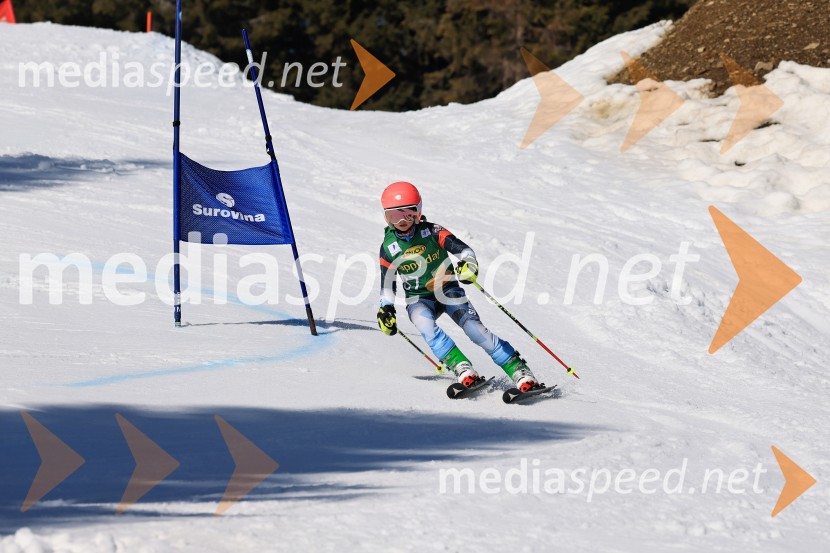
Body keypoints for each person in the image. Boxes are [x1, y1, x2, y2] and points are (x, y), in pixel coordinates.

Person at [376, 181, 540, 392]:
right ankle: (461, 366)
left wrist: (469, 264)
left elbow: (463, 250)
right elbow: (387, 284)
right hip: (419, 297)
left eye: (407, 214)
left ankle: (519, 370)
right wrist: (386, 308)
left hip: (448, 289)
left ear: (418, 212)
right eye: (393, 216)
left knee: (473, 328)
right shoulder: (389, 248)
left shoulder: (432, 231)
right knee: (423, 323)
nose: (401, 221)